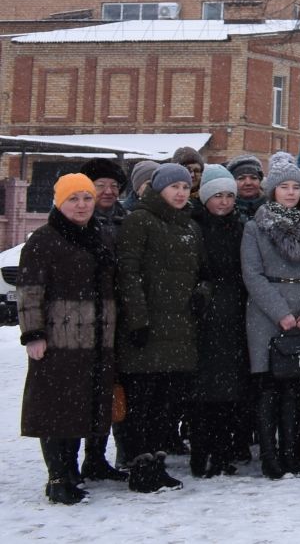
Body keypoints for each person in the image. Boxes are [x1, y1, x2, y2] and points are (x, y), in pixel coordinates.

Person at [19, 173, 115, 505]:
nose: (82, 205)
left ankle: (73, 469)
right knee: (54, 408)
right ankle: (57, 476)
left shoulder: (98, 235)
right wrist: (33, 334)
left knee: (79, 407)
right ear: (59, 203)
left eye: (87, 198)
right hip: (59, 339)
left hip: (95, 339)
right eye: (73, 199)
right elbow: (30, 291)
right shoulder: (44, 240)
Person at [116, 161, 202, 493]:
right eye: (173, 187)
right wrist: (137, 320)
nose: (180, 193)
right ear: (158, 190)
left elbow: (202, 274)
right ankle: (140, 465)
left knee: (166, 405)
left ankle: (158, 463)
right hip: (148, 331)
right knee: (142, 403)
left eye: (184, 187)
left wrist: (201, 295)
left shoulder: (189, 227)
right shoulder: (140, 220)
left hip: (180, 330)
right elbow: (128, 273)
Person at [241, 160, 300, 480]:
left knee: (293, 390)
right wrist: (281, 313)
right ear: (272, 190)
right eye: (284, 187)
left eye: (295, 187)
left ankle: (291, 453)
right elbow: (253, 274)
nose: (290, 193)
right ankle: (269, 456)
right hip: (266, 315)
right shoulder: (255, 226)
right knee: (267, 390)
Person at [189, 169, 249, 477]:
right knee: (203, 392)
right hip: (205, 314)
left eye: (229, 196)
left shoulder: (241, 228)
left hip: (235, 312)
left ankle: (224, 453)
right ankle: (201, 453)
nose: (224, 202)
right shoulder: (194, 227)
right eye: (217, 196)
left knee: (230, 391)